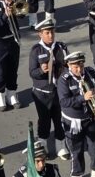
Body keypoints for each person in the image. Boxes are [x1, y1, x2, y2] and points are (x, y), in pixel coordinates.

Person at [57, 51, 95, 177]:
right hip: (73, 122)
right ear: (69, 65)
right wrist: (82, 98)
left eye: (81, 65)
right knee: (76, 152)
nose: (79, 69)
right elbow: (64, 102)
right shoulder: (64, 80)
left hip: (91, 119)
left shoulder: (90, 73)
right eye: (75, 66)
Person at [27, 16, 71, 159]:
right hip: (42, 93)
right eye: (47, 33)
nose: (50, 35)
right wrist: (41, 70)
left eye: (52, 32)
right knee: (44, 120)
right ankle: (43, 145)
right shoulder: (36, 50)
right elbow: (32, 72)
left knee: (60, 119)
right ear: (40, 34)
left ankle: (61, 146)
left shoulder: (61, 47)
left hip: (58, 91)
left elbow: (68, 65)